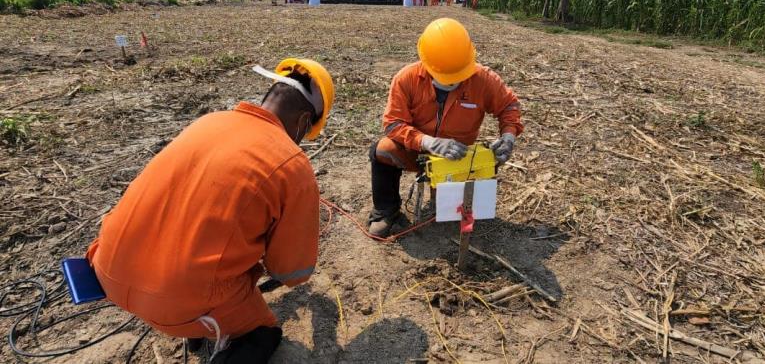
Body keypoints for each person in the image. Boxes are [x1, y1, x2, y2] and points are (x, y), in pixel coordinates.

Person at [86, 58, 335, 363]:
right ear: (303, 121)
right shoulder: (292, 164)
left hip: (106, 268)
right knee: (263, 334)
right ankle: (198, 324)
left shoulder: (209, 121)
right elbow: (292, 272)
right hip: (172, 298)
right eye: (307, 131)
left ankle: (193, 325)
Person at [367, 18, 523, 238]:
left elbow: (509, 106)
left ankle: (451, 200)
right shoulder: (406, 79)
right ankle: (386, 210)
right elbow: (393, 123)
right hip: (417, 152)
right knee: (383, 149)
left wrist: (508, 136)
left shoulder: (483, 79)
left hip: (458, 159)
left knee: (454, 214)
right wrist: (428, 142)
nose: (452, 83)